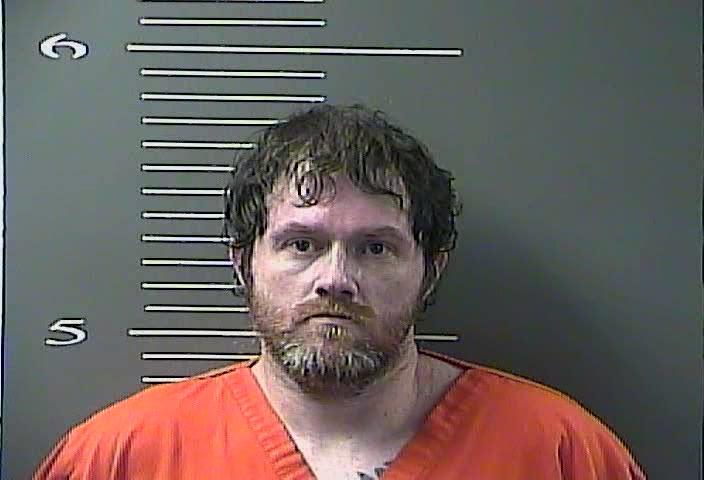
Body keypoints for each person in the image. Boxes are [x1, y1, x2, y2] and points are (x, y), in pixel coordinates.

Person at [33, 104, 646, 479]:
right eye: (301, 243)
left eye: (375, 248)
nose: (335, 278)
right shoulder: (119, 457)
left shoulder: (560, 451)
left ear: (430, 270)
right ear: (245, 263)